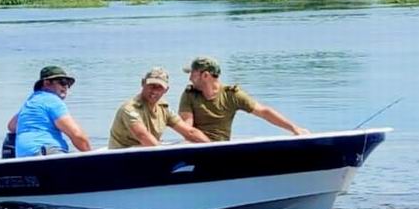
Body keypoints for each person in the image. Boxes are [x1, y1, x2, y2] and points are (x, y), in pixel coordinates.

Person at [178, 56, 309, 141]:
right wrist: (209, 146)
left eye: (193, 74)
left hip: (221, 147)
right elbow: (188, 129)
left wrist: (294, 129)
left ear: (205, 75)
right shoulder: (190, 94)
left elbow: (263, 112)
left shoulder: (232, 94)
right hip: (198, 147)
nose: (190, 79)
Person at [109, 67, 210, 148]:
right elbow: (143, 136)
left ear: (166, 90)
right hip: (122, 157)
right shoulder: (130, 108)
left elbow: (190, 132)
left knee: (189, 143)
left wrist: (211, 147)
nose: (154, 91)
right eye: (151, 85)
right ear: (143, 83)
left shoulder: (164, 108)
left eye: (159, 87)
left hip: (148, 154)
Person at [7, 65, 92, 157]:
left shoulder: (31, 102)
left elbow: (11, 126)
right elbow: (77, 135)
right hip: (46, 152)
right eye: (62, 82)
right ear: (47, 83)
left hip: (23, 155)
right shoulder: (52, 100)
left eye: (68, 84)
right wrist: (92, 156)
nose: (66, 87)